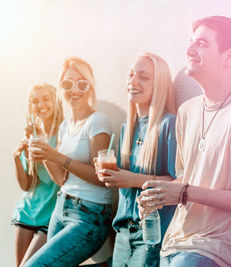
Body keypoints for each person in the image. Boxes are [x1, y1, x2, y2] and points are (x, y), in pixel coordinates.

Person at [138, 16, 231, 267]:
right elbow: (185, 178)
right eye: (191, 43)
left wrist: (186, 192)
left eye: (201, 44)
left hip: (211, 251)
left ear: (228, 57)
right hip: (172, 243)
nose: (189, 51)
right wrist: (159, 195)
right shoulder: (186, 111)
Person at [24, 57, 113, 266]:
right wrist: (44, 151)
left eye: (81, 83)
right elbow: (61, 179)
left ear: (90, 86)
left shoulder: (96, 121)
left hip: (89, 216)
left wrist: (56, 156)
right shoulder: (66, 126)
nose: (74, 89)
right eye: (67, 83)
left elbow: (103, 178)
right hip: (62, 206)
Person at [95, 52, 177, 266]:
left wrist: (133, 179)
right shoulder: (126, 128)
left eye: (143, 77)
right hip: (122, 232)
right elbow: (123, 181)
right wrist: (108, 174)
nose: (133, 81)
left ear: (159, 84)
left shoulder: (169, 124)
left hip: (150, 235)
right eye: (131, 75)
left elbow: (179, 183)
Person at [12, 83, 63, 266]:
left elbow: (62, 179)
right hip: (27, 212)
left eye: (45, 99)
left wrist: (44, 156)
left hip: (51, 216)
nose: (40, 105)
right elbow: (26, 185)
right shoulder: (31, 134)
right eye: (35, 101)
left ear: (55, 101)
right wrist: (16, 158)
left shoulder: (64, 133)